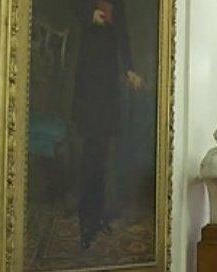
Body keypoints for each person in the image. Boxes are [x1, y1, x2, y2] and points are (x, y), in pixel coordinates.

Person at [73, 0, 143, 249]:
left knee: (103, 155)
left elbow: (123, 32)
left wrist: (130, 69)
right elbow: (73, 9)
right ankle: (86, 221)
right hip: (89, 78)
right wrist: (90, 14)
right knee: (91, 155)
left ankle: (98, 216)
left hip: (109, 82)